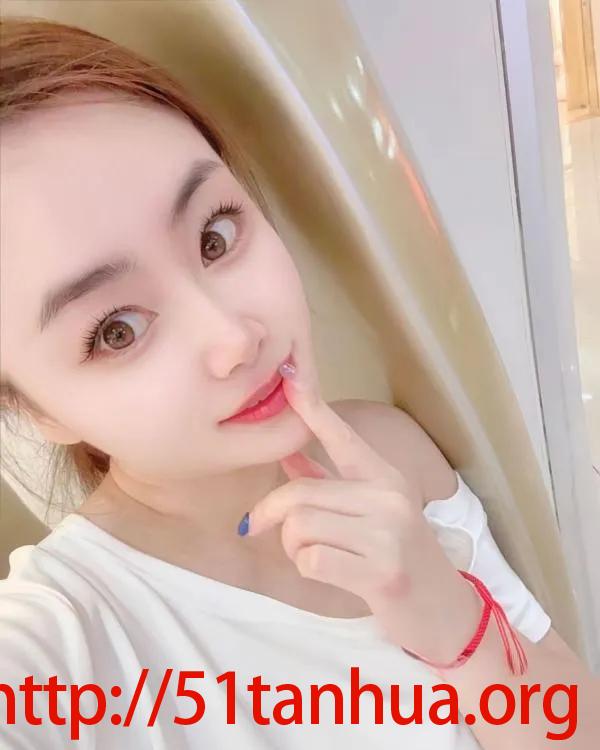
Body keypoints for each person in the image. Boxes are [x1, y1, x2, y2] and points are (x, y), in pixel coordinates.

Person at [0, 16, 598, 750]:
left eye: (216, 236)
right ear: (33, 408)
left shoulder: (387, 454)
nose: (234, 337)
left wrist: (447, 616)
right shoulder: (66, 635)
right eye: (117, 330)